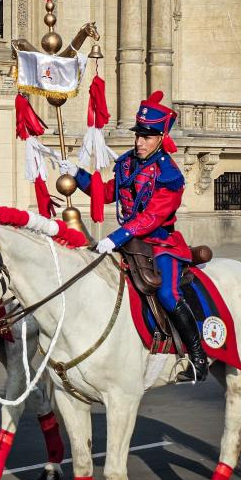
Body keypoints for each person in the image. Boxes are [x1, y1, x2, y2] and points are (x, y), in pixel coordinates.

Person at [59, 90, 205, 383]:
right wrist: (78, 174)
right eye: (138, 135)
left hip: (161, 243)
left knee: (167, 293)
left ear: (161, 138)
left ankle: (198, 356)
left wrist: (116, 237)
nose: (139, 141)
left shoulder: (169, 174)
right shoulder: (129, 162)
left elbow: (153, 217)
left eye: (146, 136)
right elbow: (109, 192)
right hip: (131, 242)